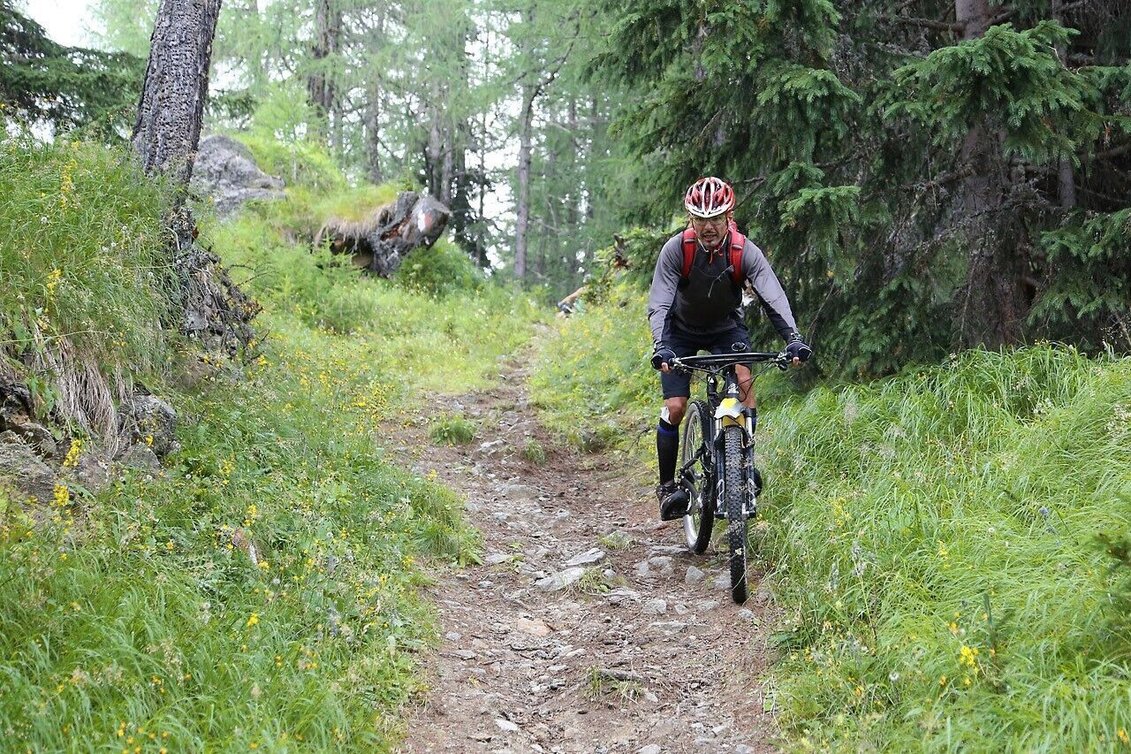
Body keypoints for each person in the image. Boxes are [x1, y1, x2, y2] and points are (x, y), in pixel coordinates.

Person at [647, 176, 812, 520]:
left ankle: (743, 464)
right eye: (700, 219)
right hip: (680, 331)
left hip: (725, 327)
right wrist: (661, 346)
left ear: (729, 216)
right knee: (675, 406)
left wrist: (792, 339)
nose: (708, 227)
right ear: (690, 219)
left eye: (716, 219)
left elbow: (772, 295)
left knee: (744, 381)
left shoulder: (742, 250)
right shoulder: (677, 250)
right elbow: (660, 302)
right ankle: (667, 487)